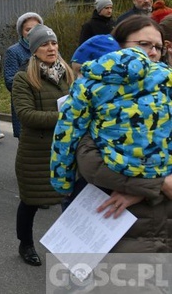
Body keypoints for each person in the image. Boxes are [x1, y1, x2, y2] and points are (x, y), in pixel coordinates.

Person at [52, 16, 172, 253]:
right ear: (118, 45)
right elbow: (81, 154)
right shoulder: (93, 87)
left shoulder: (166, 84)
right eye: (144, 44)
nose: (153, 52)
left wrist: (61, 181)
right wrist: (156, 185)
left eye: (158, 46)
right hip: (116, 219)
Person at [11, 25, 75, 266]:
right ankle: (25, 244)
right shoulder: (24, 78)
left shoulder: (69, 75)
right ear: (34, 49)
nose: (51, 48)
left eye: (54, 43)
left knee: (69, 201)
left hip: (66, 151)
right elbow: (26, 115)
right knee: (31, 201)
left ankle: (71, 248)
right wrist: (65, 118)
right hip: (36, 152)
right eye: (45, 44)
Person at [4, 12, 43, 139]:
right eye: (28, 29)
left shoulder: (49, 48)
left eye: (36, 28)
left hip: (48, 107)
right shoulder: (14, 52)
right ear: (21, 32)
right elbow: (10, 82)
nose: (32, 32)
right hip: (26, 106)